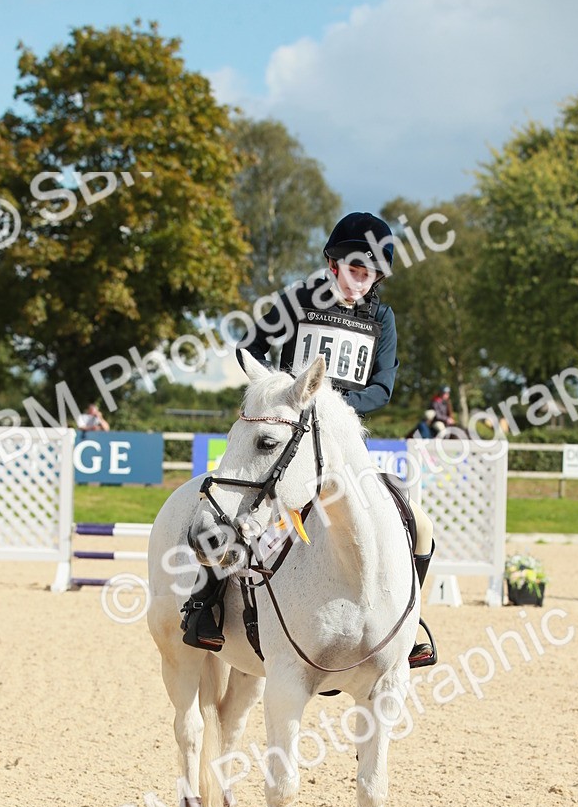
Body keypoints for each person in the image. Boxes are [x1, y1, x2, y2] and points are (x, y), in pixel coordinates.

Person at [180, 211, 437, 669]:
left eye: (369, 273)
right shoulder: (296, 302)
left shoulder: (382, 318)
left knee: (419, 525)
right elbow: (251, 348)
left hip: (341, 443)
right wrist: (280, 392)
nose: (360, 280)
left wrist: (333, 409)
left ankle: (410, 620)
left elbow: (383, 387)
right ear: (334, 264)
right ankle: (207, 603)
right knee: (240, 513)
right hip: (287, 438)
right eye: (354, 269)